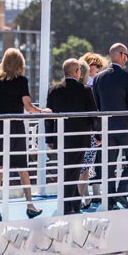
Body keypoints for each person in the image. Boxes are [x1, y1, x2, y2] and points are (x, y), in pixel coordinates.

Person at [0, 48, 50, 220]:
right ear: (20, 63)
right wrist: (42, 112)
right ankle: (30, 205)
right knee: (22, 168)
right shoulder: (22, 81)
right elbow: (28, 106)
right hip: (15, 127)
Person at [91, 43, 128, 210]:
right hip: (126, 128)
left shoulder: (99, 78)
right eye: (126, 55)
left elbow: (96, 108)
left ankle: (111, 200)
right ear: (121, 55)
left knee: (109, 165)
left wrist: (98, 132)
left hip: (107, 128)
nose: (127, 58)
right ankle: (122, 192)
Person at [45, 58, 99, 214]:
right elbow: (93, 115)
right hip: (80, 137)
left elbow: (49, 116)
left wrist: (49, 138)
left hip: (61, 137)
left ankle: (72, 205)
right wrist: (98, 134)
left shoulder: (53, 90)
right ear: (77, 72)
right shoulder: (85, 90)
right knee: (72, 172)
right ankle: (69, 206)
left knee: (68, 171)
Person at [77, 53, 108, 207]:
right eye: (97, 66)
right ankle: (91, 194)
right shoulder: (92, 84)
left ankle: (90, 195)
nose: (99, 69)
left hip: (92, 127)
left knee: (89, 163)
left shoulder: (91, 82)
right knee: (91, 162)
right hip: (94, 127)